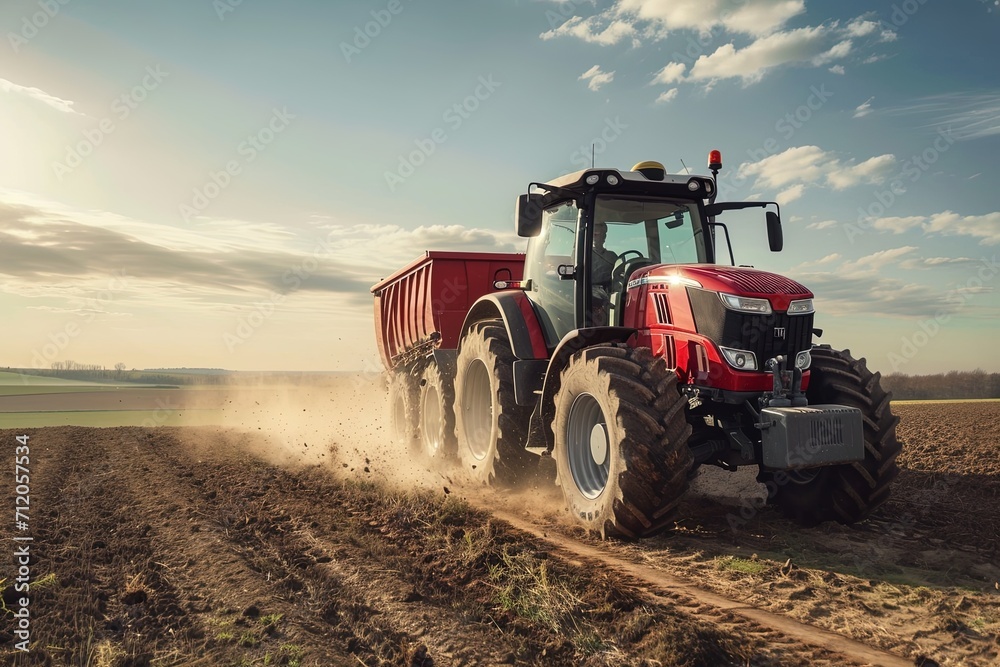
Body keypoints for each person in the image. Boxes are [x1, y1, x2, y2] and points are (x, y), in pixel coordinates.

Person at [590, 222, 618, 325]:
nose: (594, 237)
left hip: (609, 292)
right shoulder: (582, 255)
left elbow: (619, 276)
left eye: (597, 234)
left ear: (604, 237)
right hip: (588, 293)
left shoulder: (612, 257)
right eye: (592, 234)